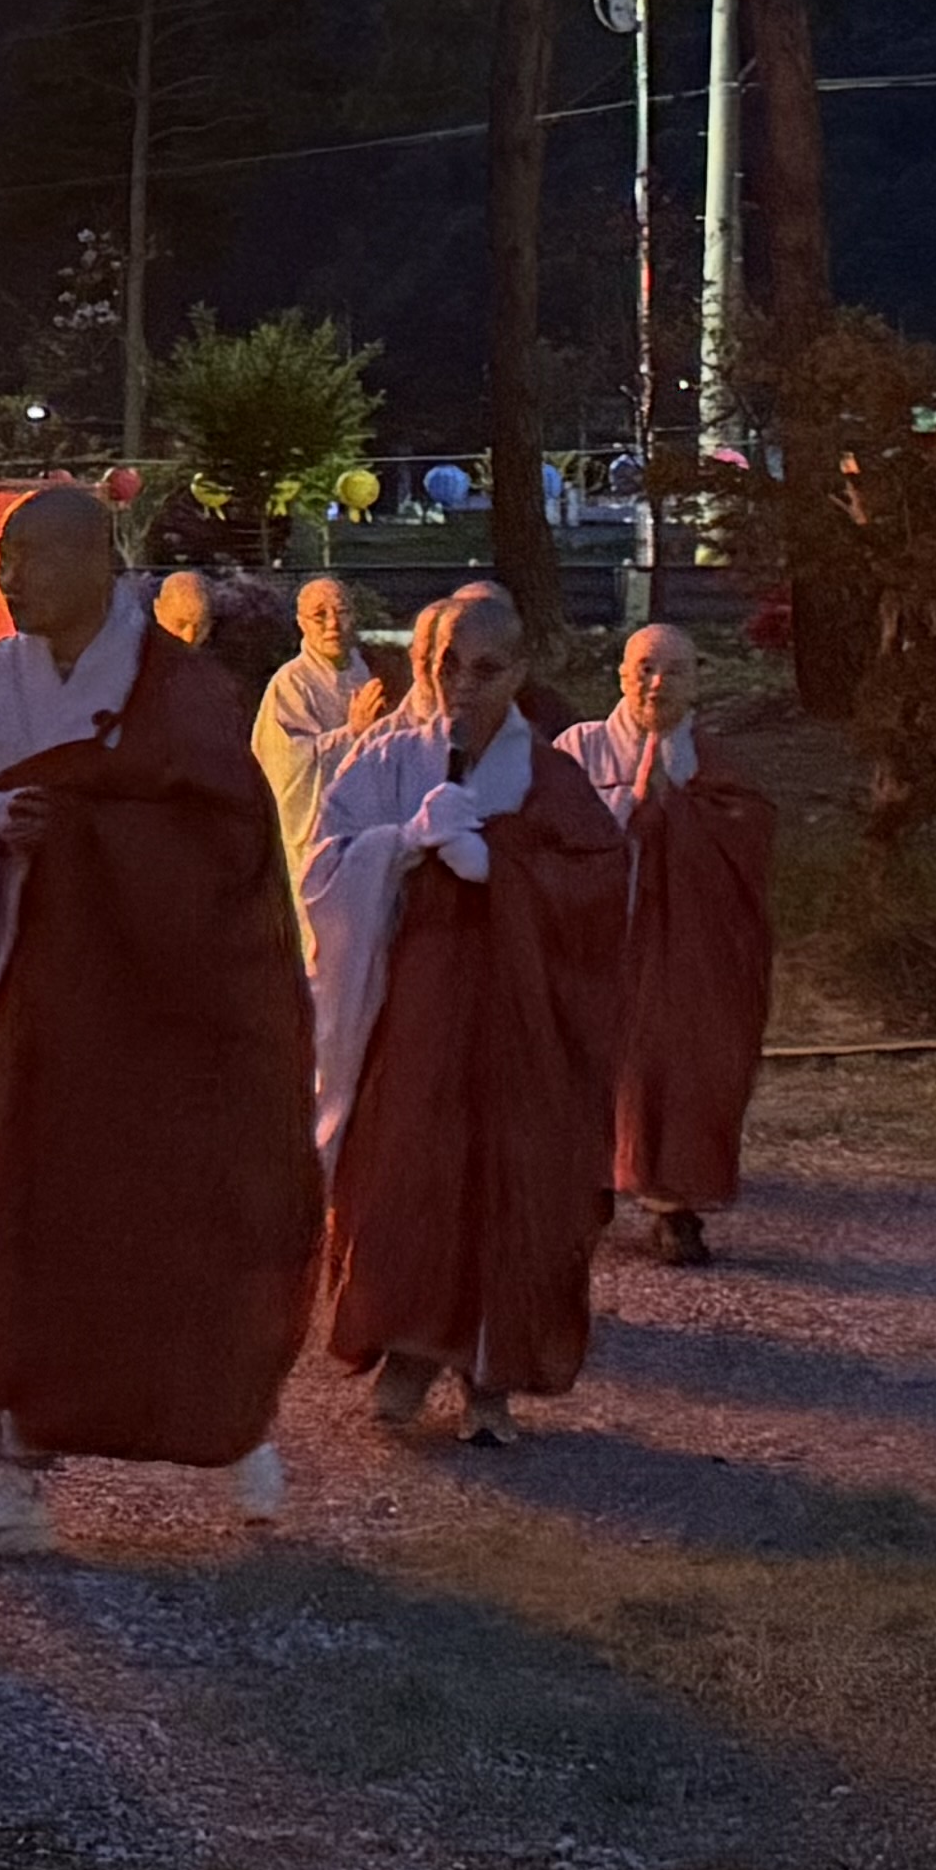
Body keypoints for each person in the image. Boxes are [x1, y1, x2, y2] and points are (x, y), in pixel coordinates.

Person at [0, 484, 323, 1554]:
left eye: (33, 557)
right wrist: (0, 820)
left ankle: (225, 1421)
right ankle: (7, 1480)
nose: (10, 578)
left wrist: (99, 838)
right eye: (3, 558)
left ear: (100, 561)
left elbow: (226, 839)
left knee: (166, 1215)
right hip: (13, 996)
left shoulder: (179, 693)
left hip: (147, 1003)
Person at [305, 580, 634, 1442]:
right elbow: (322, 872)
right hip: (416, 1012)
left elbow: (602, 884)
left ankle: (493, 1377)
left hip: (521, 1019)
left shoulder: (551, 776)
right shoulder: (383, 758)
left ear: (519, 670)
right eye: (448, 663)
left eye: (487, 668)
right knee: (409, 1172)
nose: (464, 684)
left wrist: (507, 868)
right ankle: (408, 1349)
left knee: (510, 1180)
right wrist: (400, 847)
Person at [566, 620, 781, 1267]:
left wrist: (678, 813)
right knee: (585, 1068)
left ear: (697, 681)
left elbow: (750, 840)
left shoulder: (714, 764)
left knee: (681, 1071)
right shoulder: (578, 750)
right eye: (644, 668)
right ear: (620, 674)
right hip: (594, 943)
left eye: (674, 671)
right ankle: (581, 1193)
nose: (657, 683)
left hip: (683, 952)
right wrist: (631, 811)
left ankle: (672, 1205)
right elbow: (543, 836)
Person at [250, 574, 377, 861]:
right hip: (312, 839)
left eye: (341, 612)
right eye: (319, 615)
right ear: (302, 623)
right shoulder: (291, 683)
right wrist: (350, 734)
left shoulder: (361, 671)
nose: (332, 624)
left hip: (360, 829)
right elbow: (285, 764)